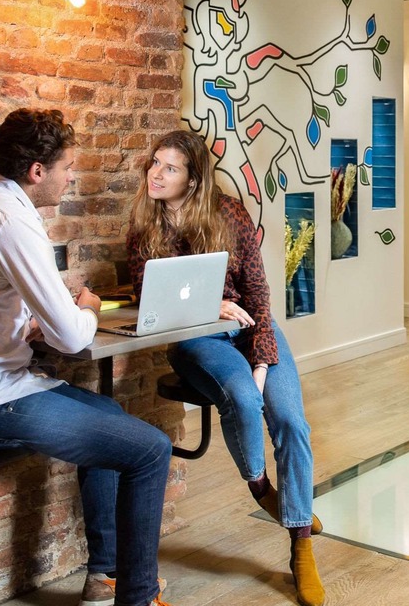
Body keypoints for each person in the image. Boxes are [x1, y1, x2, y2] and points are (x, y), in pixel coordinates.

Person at [0, 109, 173, 606]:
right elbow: (72, 339)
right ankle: (137, 599)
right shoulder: (10, 218)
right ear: (37, 171)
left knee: (112, 419)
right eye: (67, 166)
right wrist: (89, 308)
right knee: (151, 449)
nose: (71, 176)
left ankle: (105, 577)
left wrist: (25, 325)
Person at [126, 130, 325, 606]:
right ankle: (262, 489)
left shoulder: (229, 212)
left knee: (291, 421)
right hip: (196, 337)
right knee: (241, 394)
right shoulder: (142, 225)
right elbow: (148, 302)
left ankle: (300, 543)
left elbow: (257, 291)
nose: (156, 173)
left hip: (250, 328)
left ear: (194, 179)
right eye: (155, 163)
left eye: (170, 167)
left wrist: (261, 355)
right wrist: (212, 307)